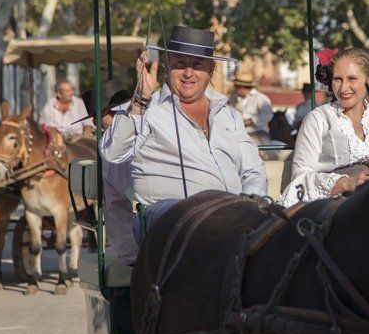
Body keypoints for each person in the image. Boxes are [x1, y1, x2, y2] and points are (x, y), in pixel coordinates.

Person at [101, 26, 267, 229]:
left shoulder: (229, 115)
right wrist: (140, 99)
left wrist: (252, 203)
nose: (188, 73)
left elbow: (253, 170)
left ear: (211, 70)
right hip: (165, 224)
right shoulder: (146, 110)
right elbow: (113, 153)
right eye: (180, 64)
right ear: (167, 66)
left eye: (197, 65)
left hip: (230, 220)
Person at [279, 48, 369, 206]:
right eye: (337, 79)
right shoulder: (319, 118)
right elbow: (300, 176)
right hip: (334, 205)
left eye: (352, 78)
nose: (343, 88)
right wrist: (347, 183)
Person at [75, 79, 137, 264]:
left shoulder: (132, 138)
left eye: (123, 113)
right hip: (136, 246)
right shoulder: (111, 149)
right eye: (114, 114)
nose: (121, 118)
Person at [230, 71, 274, 144]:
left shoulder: (260, 98)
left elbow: (268, 115)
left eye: (236, 87)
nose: (234, 88)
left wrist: (251, 121)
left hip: (257, 133)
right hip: (237, 134)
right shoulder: (233, 100)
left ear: (241, 87)